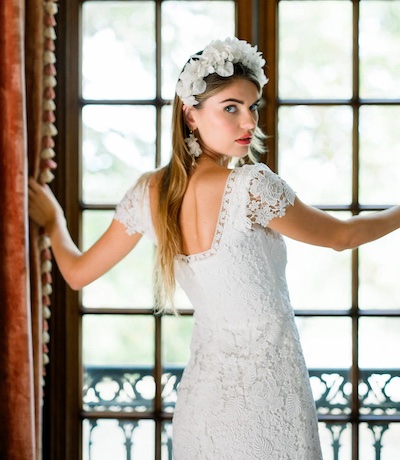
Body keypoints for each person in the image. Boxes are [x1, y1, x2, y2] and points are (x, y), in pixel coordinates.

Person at [28, 37, 400, 459]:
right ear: (190, 114)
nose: (249, 123)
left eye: (252, 106)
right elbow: (343, 236)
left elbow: (77, 273)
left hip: (201, 408)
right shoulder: (251, 186)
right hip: (269, 401)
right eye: (231, 108)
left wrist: (55, 223)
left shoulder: (148, 192)